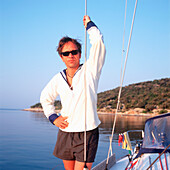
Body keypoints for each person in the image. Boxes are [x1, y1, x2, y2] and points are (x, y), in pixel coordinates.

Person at [40, 15, 106, 170]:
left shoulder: (90, 71)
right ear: (61, 57)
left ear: (80, 54)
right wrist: (53, 117)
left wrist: (89, 25)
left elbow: (98, 43)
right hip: (65, 132)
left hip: (87, 132)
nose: (70, 55)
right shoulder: (58, 78)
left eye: (74, 52)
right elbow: (45, 97)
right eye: (66, 53)